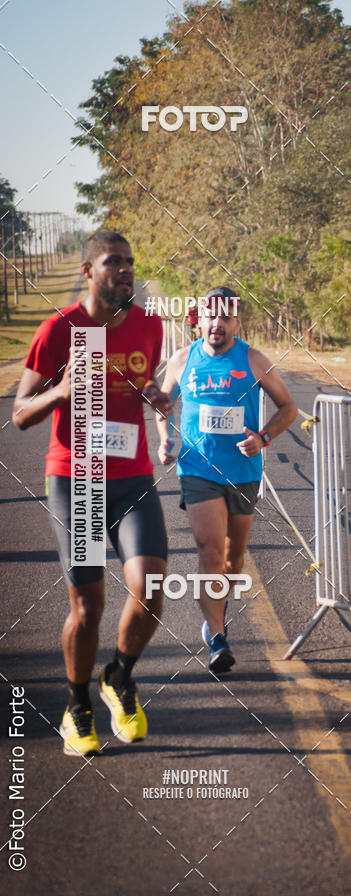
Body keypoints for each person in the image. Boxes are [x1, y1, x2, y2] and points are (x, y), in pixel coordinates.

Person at [12, 231, 171, 757]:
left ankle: (119, 677)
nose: (125, 270)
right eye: (113, 262)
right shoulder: (59, 330)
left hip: (130, 475)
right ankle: (77, 707)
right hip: (76, 479)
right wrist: (61, 391)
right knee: (88, 605)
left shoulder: (149, 325)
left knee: (150, 587)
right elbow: (19, 414)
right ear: (88, 271)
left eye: (129, 261)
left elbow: (144, 386)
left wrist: (155, 395)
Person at [156, 287, 297, 673]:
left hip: (243, 471)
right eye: (210, 316)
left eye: (225, 317)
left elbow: (289, 407)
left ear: (236, 322)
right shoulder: (183, 359)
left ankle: (216, 610)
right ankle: (217, 638)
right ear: (198, 319)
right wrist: (165, 437)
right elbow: (162, 403)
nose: (216, 323)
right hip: (198, 468)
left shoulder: (253, 359)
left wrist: (263, 438)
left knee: (234, 560)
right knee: (210, 551)